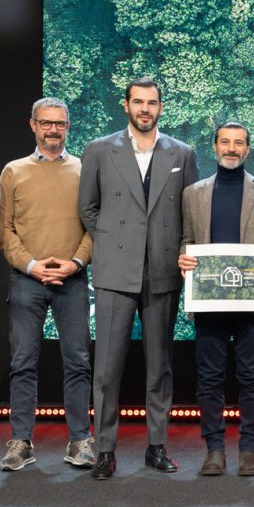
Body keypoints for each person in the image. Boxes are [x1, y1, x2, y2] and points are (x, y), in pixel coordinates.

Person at [78, 77, 198, 480]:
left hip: (163, 271)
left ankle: (156, 446)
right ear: (126, 104)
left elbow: (189, 215)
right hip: (115, 271)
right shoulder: (99, 149)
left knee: (159, 366)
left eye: (152, 102)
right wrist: (115, 242)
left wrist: (180, 251)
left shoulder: (182, 152)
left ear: (161, 107)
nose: (145, 109)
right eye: (138, 102)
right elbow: (88, 208)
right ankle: (104, 450)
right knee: (106, 369)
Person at [178, 122, 254, 477]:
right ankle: (214, 449)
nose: (231, 148)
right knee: (209, 378)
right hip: (209, 303)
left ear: (248, 149)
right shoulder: (192, 194)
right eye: (225, 142)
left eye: (239, 143)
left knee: (252, 376)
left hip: (253, 304)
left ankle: (249, 448)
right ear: (214, 146)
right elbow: (186, 240)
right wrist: (184, 259)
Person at [0, 97, 95, 472]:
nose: (53, 129)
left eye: (60, 123)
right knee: (22, 362)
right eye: (46, 123)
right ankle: (21, 441)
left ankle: (80, 440)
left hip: (73, 280)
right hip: (27, 279)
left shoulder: (85, 170)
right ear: (33, 125)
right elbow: (4, 229)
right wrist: (33, 265)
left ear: (68, 126)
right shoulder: (13, 171)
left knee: (78, 362)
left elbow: (95, 226)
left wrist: (75, 262)